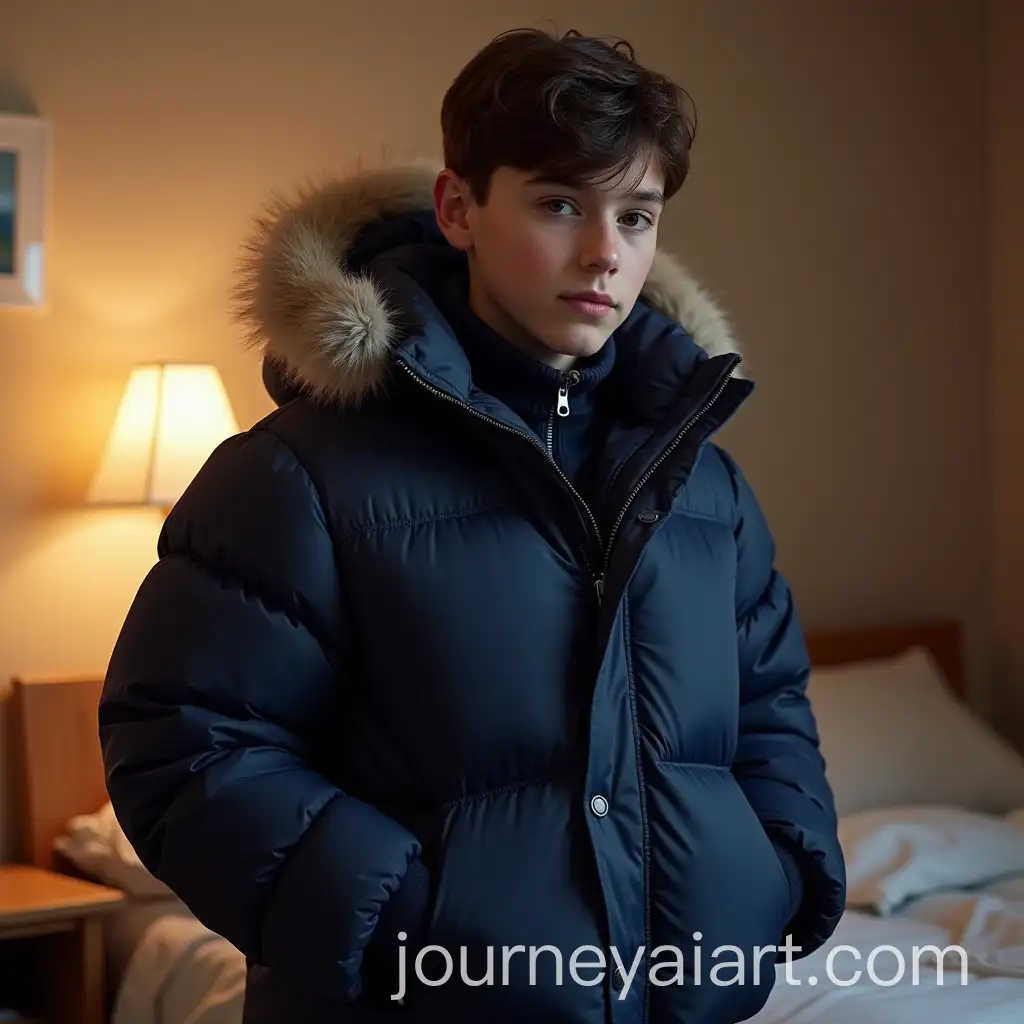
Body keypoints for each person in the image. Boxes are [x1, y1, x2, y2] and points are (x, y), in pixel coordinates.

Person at [98, 26, 845, 1024]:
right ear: (459, 207)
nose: (603, 254)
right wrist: (411, 923)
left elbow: (769, 711)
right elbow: (186, 746)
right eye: (558, 204)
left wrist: (777, 872)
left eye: (636, 216)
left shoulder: (705, 489)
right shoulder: (298, 475)